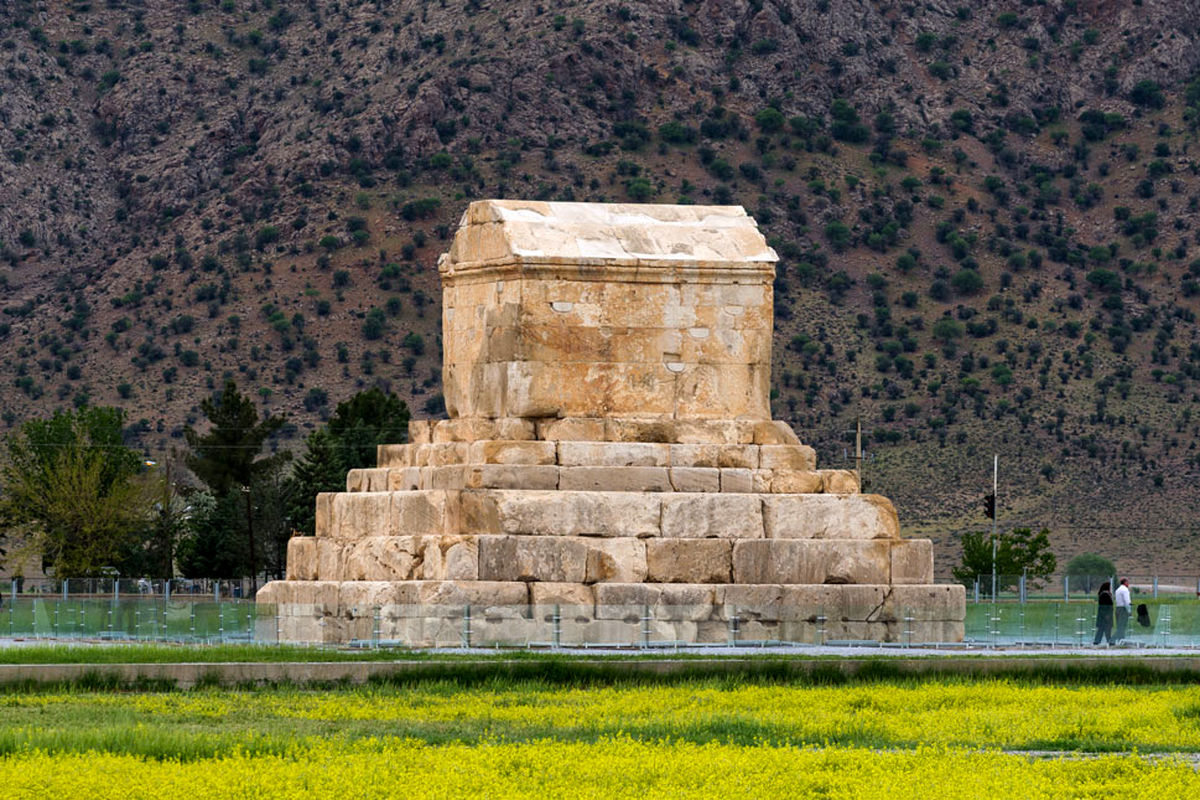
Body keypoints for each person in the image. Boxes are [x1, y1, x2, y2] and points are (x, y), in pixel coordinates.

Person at [1094, 581, 1114, 646]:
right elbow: (1105, 606)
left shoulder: (1104, 594)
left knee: (1102, 630)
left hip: (1104, 616)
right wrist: (1107, 615)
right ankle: (1109, 641)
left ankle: (1097, 641)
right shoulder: (1105, 595)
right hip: (1105, 616)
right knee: (1105, 629)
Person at [1114, 578, 1132, 642]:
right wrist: (1129, 611)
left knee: (1119, 626)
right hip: (1123, 609)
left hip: (1118, 608)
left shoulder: (1117, 590)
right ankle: (1112, 640)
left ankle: (1121, 640)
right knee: (1122, 626)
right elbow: (1127, 601)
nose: (1128, 584)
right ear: (1125, 582)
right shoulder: (1125, 590)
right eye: (1127, 582)